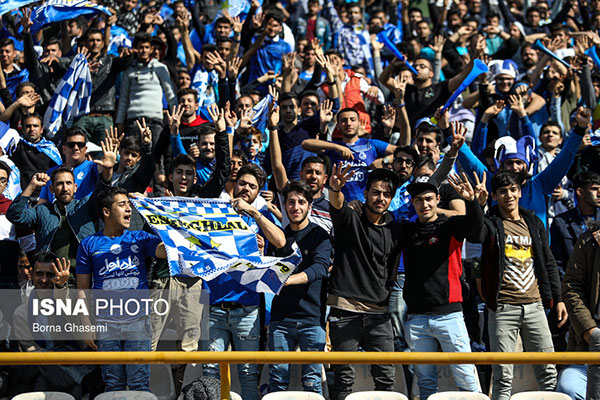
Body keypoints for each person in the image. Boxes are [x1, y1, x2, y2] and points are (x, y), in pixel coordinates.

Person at [478, 171, 567, 400]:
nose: (509, 195)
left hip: (535, 306)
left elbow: (548, 261)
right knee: (503, 376)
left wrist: (558, 299)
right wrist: (477, 205)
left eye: (513, 189)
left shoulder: (533, 222)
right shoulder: (490, 222)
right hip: (503, 308)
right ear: (495, 196)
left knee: (548, 371)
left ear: (519, 191)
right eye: (502, 191)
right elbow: (475, 233)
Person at [203, 163, 286, 400]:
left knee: (249, 373)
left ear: (258, 192)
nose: (246, 189)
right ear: (234, 184)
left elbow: (280, 242)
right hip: (213, 306)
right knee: (210, 372)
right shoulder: (214, 213)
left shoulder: (262, 217)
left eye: (252, 187)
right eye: (242, 183)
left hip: (248, 308)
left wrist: (255, 214)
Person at [76, 186, 167, 392]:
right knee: (113, 386)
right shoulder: (89, 244)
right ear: (106, 212)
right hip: (106, 325)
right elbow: (82, 289)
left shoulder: (140, 238)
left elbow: (167, 250)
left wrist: (151, 209)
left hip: (138, 322)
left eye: (129, 204)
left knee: (139, 385)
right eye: (122, 204)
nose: (129, 209)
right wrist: (85, 323)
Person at [401, 172, 483, 399]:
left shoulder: (451, 226)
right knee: (426, 384)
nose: (424, 204)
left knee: (467, 379)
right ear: (412, 203)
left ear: (438, 199)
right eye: (418, 200)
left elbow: (476, 224)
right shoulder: (406, 231)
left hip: (450, 316)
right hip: (416, 318)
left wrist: (472, 201)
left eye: (428, 198)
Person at [327, 165, 402, 400]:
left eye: (386, 194)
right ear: (366, 193)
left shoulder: (395, 229)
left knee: (386, 378)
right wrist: (335, 189)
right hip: (345, 311)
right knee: (343, 379)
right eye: (376, 192)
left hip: (379, 314)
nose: (381, 198)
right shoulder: (351, 218)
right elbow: (337, 206)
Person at [6, 138, 115, 272]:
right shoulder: (42, 211)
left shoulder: (85, 206)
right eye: (59, 184)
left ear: (75, 187)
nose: (64, 188)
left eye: (68, 183)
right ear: (51, 189)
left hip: (82, 277)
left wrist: (107, 172)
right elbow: (15, 215)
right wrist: (31, 186)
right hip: (49, 278)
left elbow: (103, 194)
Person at [268, 180, 331, 394]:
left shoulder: (320, 235)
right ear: (285, 206)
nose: (296, 207)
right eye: (291, 202)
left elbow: (320, 269)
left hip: (312, 319)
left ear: (309, 206)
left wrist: (288, 280)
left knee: (313, 384)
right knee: (277, 382)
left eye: (301, 202)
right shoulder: (278, 237)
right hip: (280, 319)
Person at [302, 108, 396, 202]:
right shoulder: (333, 148)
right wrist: (337, 147)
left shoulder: (372, 144)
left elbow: (401, 151)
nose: (348, 123)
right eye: (344, 120)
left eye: (352, 119)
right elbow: (305, 144)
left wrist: (385, 160)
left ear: (359, 123)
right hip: (341, 206)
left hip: (368, 204)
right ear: (337, 125)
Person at [561, 219, 600, 400]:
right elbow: (571, 288)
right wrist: (589, 332)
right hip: (589, 346)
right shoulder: (589, 241)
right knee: (568, 388)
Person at [116, 33, 177, 145]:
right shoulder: (129, 71)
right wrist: (119, 123)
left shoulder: (160, 68)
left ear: (151, 49)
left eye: (147, 47)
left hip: (155, 120)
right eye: (141, 47)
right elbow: (123, 99)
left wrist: (175, 116)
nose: (144, 50)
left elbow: (170, 94)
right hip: (134, 121)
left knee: (156, 158)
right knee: (134, 156)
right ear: (135, 49)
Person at [551, 171, 600, 278]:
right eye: (594, 189)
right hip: (575, 286)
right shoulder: (561, 222)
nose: (599, 193)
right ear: (580, 192)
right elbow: (558, 263)